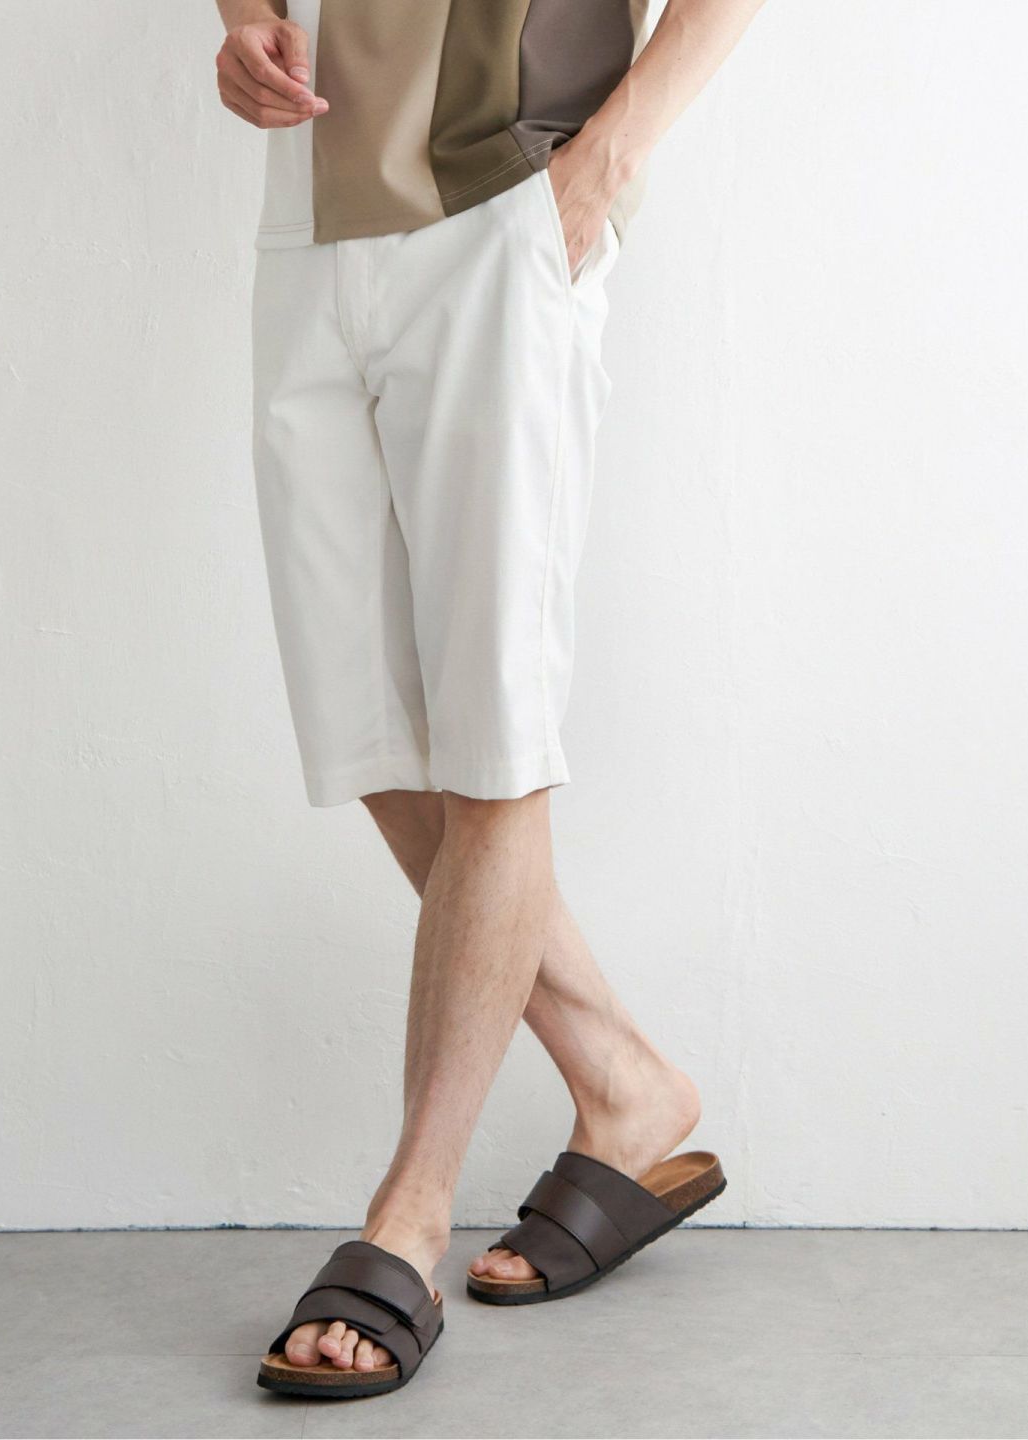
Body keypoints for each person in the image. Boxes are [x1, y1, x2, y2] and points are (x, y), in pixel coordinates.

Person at [215, 0, 764, 1399]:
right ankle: (624, 1081)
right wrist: (245, 18)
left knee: (491, 743)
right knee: (376, 738)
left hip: (509, 195)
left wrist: (604, 160)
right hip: (313, 209)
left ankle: (409, 1212)